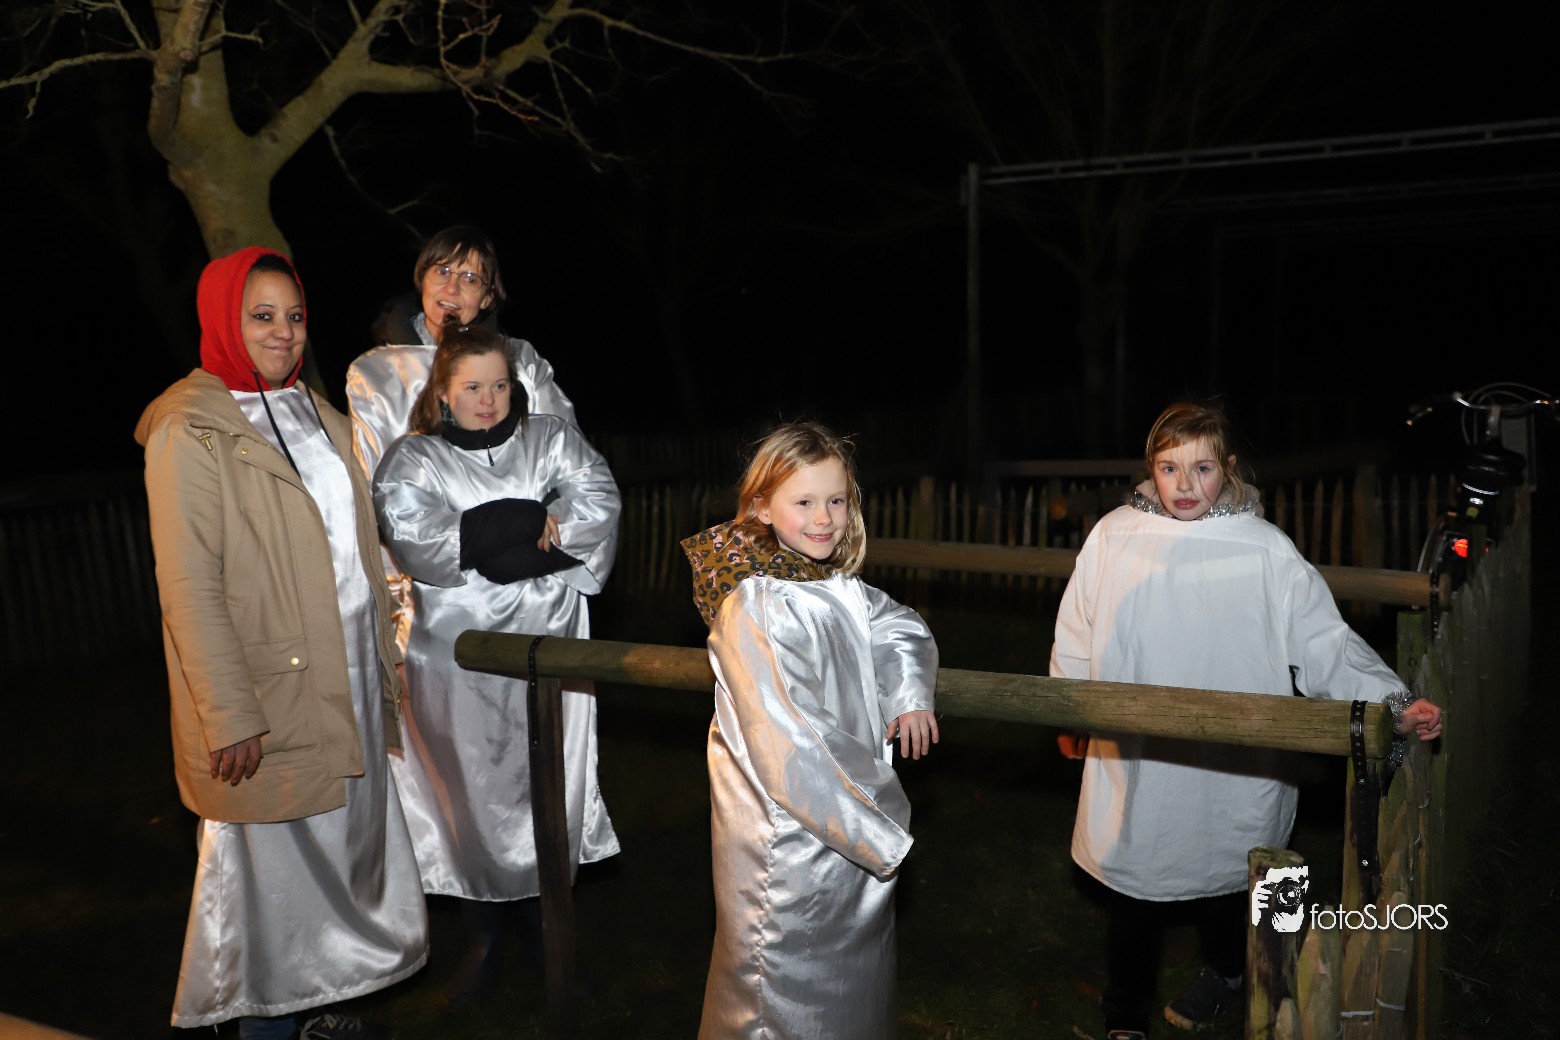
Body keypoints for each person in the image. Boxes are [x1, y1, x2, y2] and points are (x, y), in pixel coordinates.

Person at [1050, 401, 1444, 1040]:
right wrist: (1068, 709)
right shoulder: (1114, 537)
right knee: (1134, 881)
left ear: (1228, 468)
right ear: (1150, 468)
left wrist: (1391, 702)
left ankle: (1231, 973)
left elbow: (1322, 640)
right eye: (1169, 468)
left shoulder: (1263, 549)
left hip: (1238, 754)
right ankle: (1125, 1014)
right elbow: (1077, 628)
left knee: (1231, 868)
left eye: (1202, 468)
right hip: (1140, 753)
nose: (1185, 484)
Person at [136, 247, 428, 1040]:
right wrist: (228, 712)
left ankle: (323, 1017)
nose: (283, 332)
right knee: (273, 895)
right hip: (268, 694)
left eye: (294, 316)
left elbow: (354, 552)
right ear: (221, 320)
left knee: (342, 866)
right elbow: (189, 585)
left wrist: (385, 663)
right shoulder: (189, 427)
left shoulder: (315, 412)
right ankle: (269, 1029)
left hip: (346, 681)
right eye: (261, 315)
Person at [370, 323, 621, 1004]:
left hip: (550, 645)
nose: (488, 400)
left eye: (501, 385)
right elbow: (419, 537)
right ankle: (482, 942)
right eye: (472, 387)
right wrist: (521, 519)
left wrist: (501, 545)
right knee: (471, 793)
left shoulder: (551, 440)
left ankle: (547, 939)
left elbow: (598, 502)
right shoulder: (414, 459)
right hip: (460, 661)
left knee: (544, 787)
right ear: (443, 395)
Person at [681, 421, 941, 1040]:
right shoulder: (756, 605)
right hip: (791, 838)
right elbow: (790, 738)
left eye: (837, 500)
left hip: (842, 823)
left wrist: (908, 694)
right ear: (761, 508)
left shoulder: (826, 582)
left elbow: (896, 625)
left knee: (851, 990)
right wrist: (881, 818)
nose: (824, 519)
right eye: (804, 502)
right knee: (777, 992)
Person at [346, 225, 574, 652]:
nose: (451, 288)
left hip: (526, 587)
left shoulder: (522, 364)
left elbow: (567, 466)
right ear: (422, 277)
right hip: (428, 598)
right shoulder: (377, 375)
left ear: (487, 297)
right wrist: (393, 618)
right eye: (442, 270)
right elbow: (374, 495)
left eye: (470, 278)